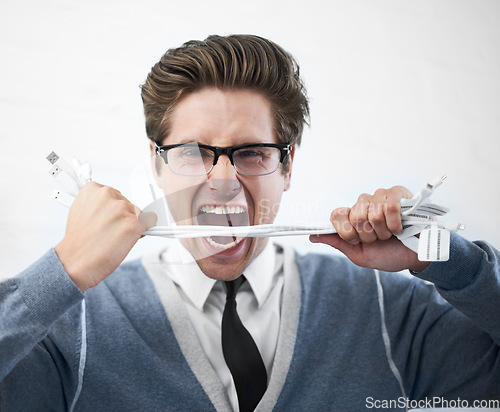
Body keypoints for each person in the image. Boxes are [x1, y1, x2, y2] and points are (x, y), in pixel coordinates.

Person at [1, 34, 499, 412]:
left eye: (252, 153)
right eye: (192, 152)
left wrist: (451, 263)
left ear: (288, 166)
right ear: (155, 163)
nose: (222, 180)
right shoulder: (71, 326)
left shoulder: (392, 313)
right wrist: (60, 273)